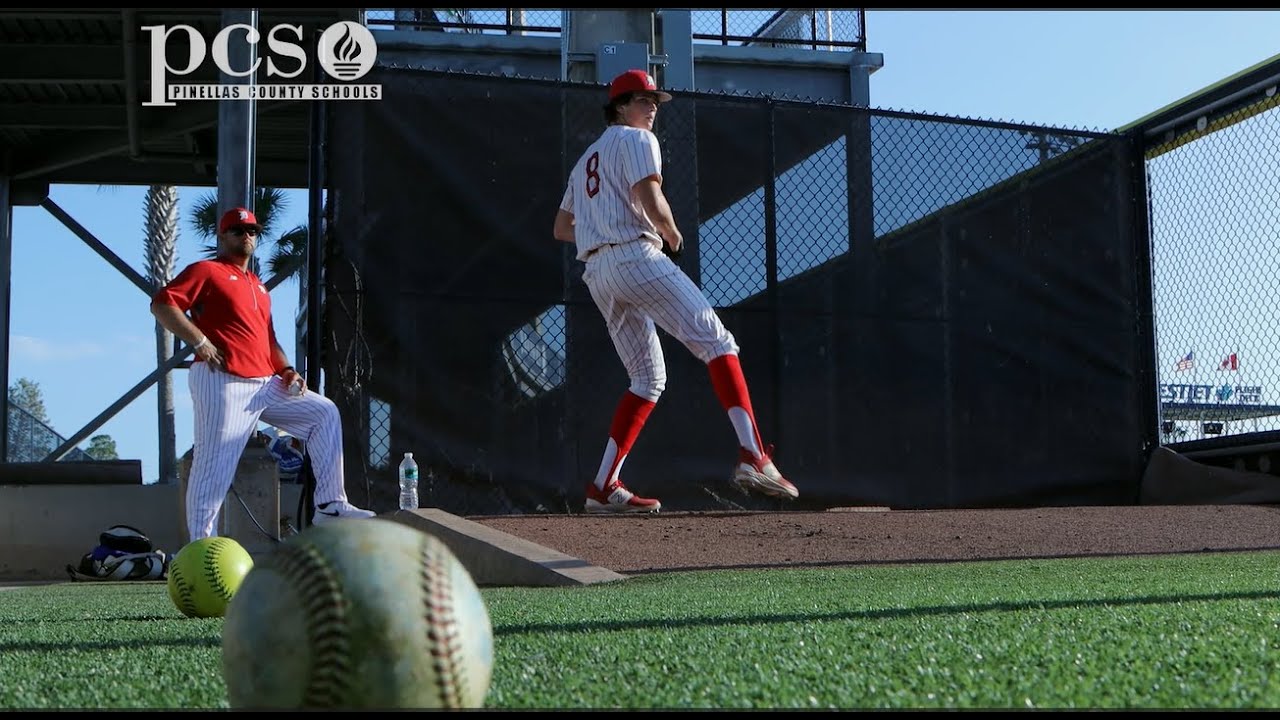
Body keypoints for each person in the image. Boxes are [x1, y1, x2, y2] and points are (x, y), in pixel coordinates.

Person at [553, 69, 800, 514]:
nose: (652, 108)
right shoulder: (637, 140)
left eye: (655, 101)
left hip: (598, 273)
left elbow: (561, 229)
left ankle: (603, 485)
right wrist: (670, 232)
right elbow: (650, 196)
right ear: (621, 105)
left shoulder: (583, 160)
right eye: (644, 100)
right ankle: (753, 456)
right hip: (634, 257)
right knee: (718, 341)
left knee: (648, 380)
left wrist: (600, 234)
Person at [151, 206, 375, 540]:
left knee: (323, 413)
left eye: (253, 231)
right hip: (223, 381)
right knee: (213, 468)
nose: (247, 236)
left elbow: (268, 339)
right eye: (238, 231)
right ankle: (200, 545)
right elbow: (162, 304)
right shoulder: (207, 270)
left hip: (265, 383)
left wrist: (286, 369)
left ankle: (329, 506)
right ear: (223, 236)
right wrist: (199, 340)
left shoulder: (258, 286)